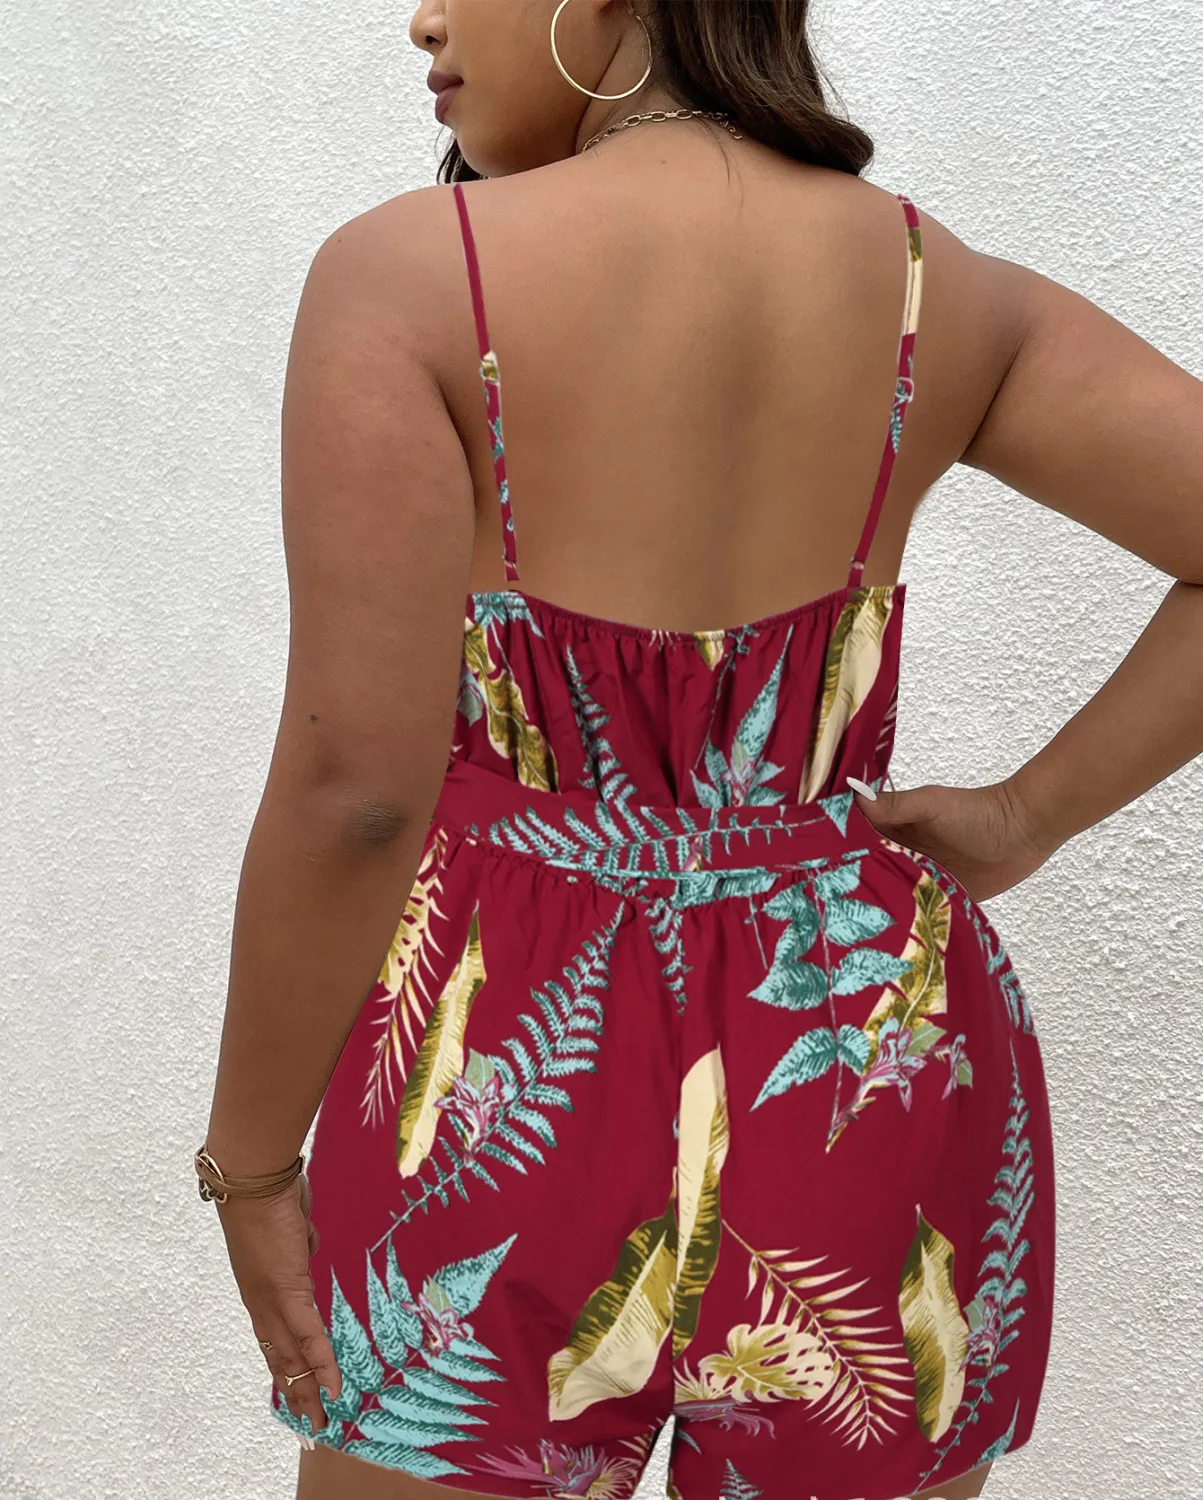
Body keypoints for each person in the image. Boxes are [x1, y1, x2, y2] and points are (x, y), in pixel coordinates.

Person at [194, 2, 1203, 1499]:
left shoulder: (411, 275)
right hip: (856, 1049)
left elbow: (358, 798)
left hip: (513, 1061)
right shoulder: (943, 291)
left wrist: (250, 1162)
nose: (422, 17)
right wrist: (1026, 815)